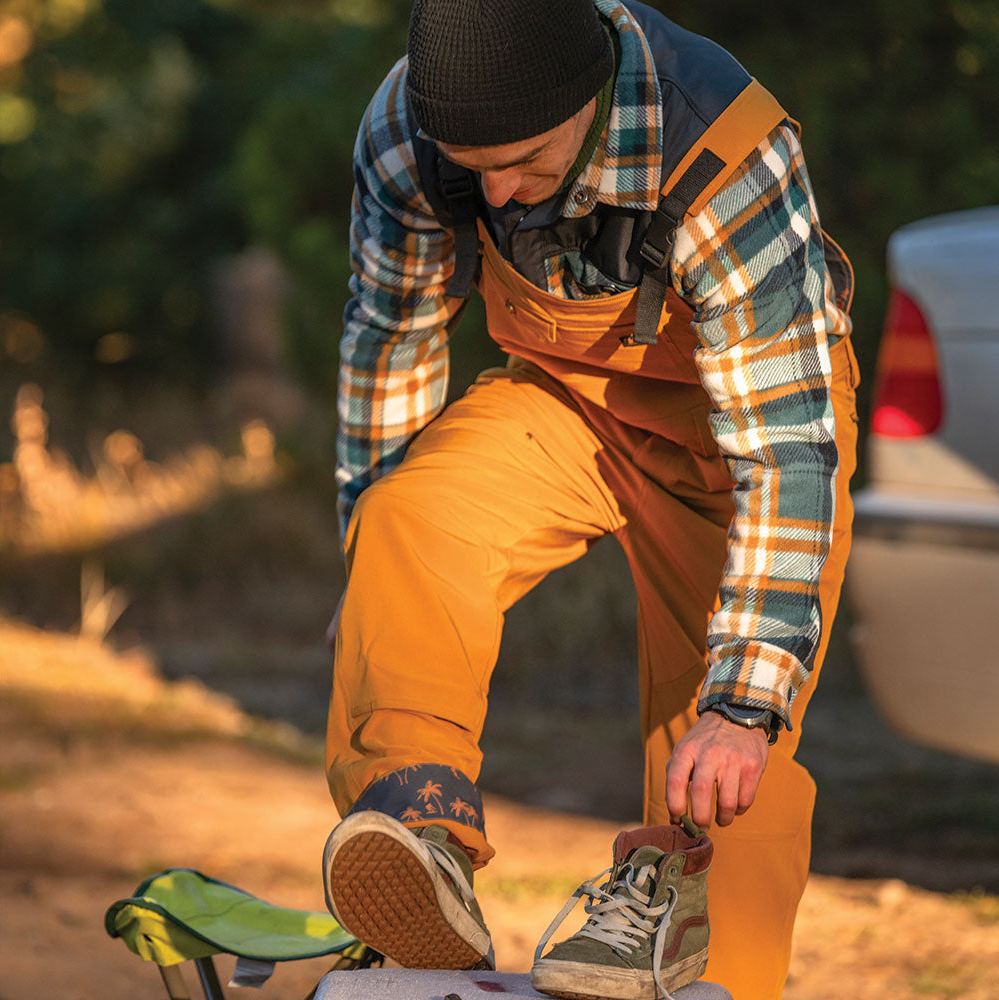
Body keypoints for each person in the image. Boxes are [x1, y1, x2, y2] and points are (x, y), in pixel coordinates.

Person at [321, 1, 859, 998]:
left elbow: (781, 447)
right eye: (469, 163)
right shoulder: (405, 130)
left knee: (725, 770)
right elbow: (391, 334)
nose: (495, 190)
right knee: (409, 520)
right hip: (566, 403)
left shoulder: (723, 150)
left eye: (523, 158)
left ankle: (703, 969)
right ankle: (418, 829)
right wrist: (373, 583)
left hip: (735, 444)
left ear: (590, 99)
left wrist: (744, 702)